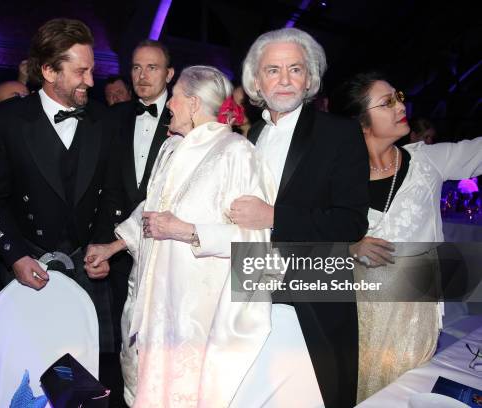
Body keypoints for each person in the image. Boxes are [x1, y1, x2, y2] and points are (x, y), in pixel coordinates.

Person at [85, 65, 275, 407]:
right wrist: (113, 246)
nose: (168, 104)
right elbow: (152, 209)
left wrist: (185, 230)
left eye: (173, 96)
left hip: (198, 312)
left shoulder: (237, 153)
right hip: (152, 300)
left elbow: (254, 239)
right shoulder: (170, 149)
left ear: (191, 103)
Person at [0, 17, 122, 405]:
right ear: (48, 71)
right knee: (27, 376)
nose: (90, 81)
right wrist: (14, 256)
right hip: (27, 263)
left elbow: (111, 193)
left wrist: (102, 243)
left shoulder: (105, 122)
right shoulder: (4, 122)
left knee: (91, 381)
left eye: (91, 70)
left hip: (85, 269)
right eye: (81, 71)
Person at [228, 28, 369, 408]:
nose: (285, 80)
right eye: (273, 70)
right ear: (256, 80)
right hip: (251, 288)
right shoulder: (247, 138)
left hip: (314, 296)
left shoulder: (339, 133)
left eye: (295, 69)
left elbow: (351, 223)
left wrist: (273, 216)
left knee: (316, 395)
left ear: (310, 78)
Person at [330, 71, 482, 401]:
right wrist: (348, 246)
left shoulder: (429, 161)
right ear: (361, 123)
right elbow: (301, 232)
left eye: (397, 96)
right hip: (354, 319)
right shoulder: (335, 177)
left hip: (414, 321)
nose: (401, 105)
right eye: (387, 103)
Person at [102, 39, 174, 404]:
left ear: (170, 73)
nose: (143, 76)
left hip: (165, 245)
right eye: (136, 67)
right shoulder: (111, 117)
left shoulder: (183, 120)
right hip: (119, 246)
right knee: (122, 330)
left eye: (153, 68)